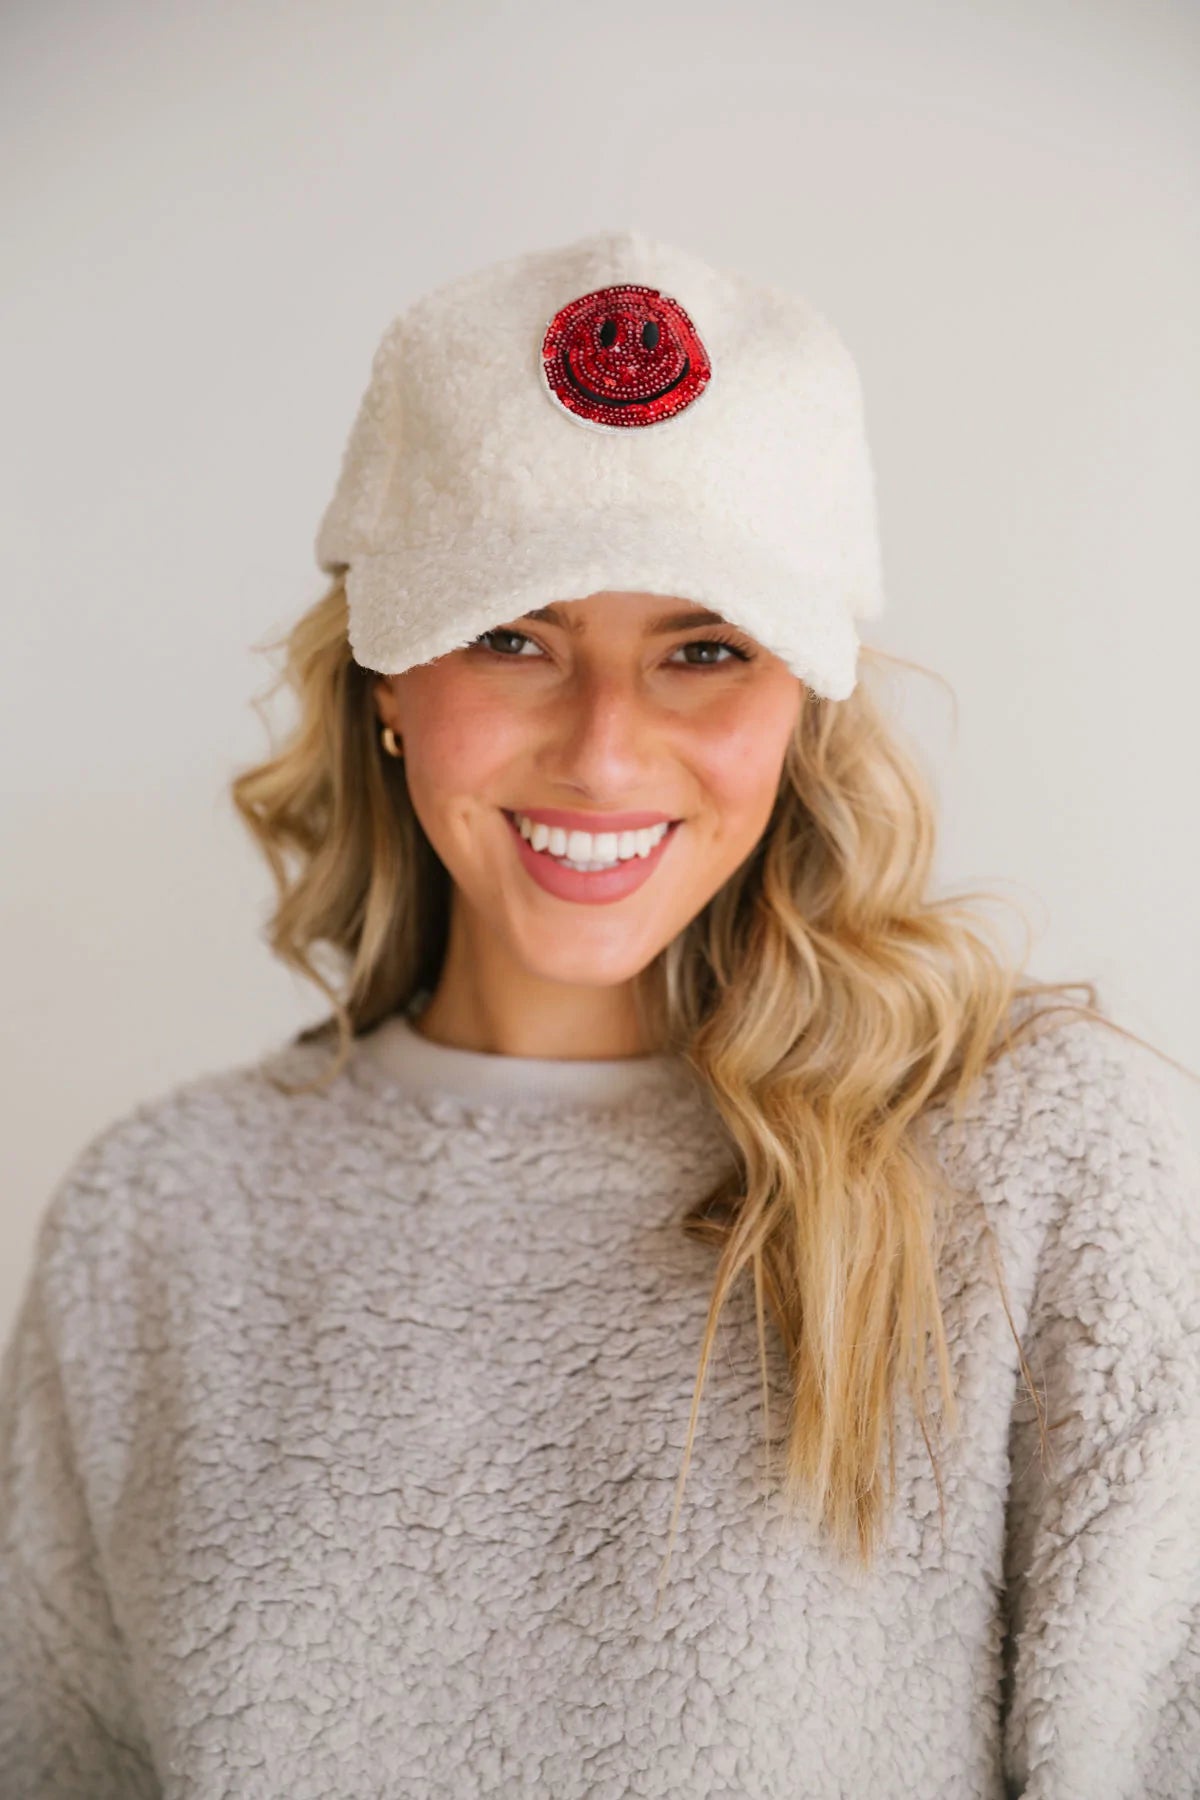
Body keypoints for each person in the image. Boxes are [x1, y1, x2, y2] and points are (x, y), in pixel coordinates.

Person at [1, 228, 1197, 1799]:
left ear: (806, 703)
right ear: (381, 676)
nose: (609, 753)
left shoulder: (1034, 1168)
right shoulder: (161, 1222)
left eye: (704, 651)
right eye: (515, 638)